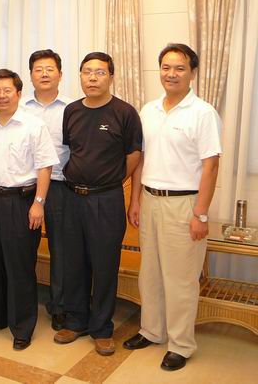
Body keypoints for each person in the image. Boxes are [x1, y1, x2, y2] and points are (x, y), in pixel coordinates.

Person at [123, 44, 221, 371]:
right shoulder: (148, 110)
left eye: (179, 68)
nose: (171, 74)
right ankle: (152, 330)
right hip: (150, 200)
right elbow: (141, 159)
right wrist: (136, 199)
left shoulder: (203, 113)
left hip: (185, 204)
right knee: (150, 273)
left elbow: (210, 166)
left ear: (192, 72)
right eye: (166, 67)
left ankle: (181, 344)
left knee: (181, 280)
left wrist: (201, 213)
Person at [54, 52, 142, 356]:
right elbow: (72, 150)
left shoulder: (125, 112)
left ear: (111, 77)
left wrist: (112, 179)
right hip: (72, 197)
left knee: (105, 265)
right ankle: (76, 321)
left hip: (106, 199)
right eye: (87, 72)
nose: (93, 78)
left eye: (100, 72)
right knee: (74, 263)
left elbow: (134, 154)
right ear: (80, 76)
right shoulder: (72, 111)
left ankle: (102, 328)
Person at [0, 69, 58, 351]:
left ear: (19, 93)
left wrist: (38, 203)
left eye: (7, 90)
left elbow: (45, 167)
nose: (1, 96)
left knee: (19, 267)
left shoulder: (33, 126)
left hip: (21, 202)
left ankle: (22, 327)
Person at [22, 49, 73, 331]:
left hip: (60, 186)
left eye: (50, 69)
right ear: (30, 75)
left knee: (61, 249)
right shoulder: (20, 108)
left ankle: (59, 306)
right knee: (22, 247)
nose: (44, 74)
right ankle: (23, 304)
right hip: (25, 187)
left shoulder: (72, 109)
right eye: (38, 69)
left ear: (60, 75)